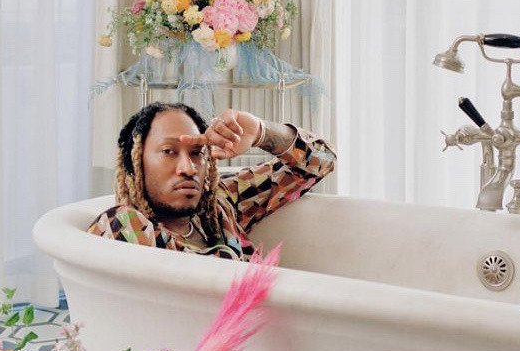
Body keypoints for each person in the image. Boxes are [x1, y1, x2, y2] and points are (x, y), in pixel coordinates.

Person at [87, 101, 336, 259]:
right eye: (168, 152)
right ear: (135, 164)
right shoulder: (121, 223)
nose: (188, 168)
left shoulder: (221, 204)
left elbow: (322, 161)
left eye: (197, 153)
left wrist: (261, 132)